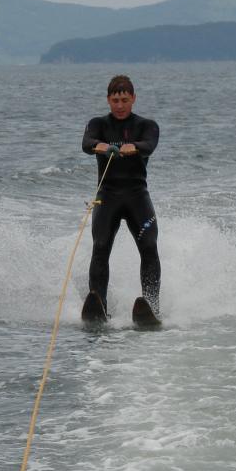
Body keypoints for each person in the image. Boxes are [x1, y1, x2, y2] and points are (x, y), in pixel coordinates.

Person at [80, 74, 161, 322]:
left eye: (125, 100)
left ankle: (152, 305)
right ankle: (99, 303)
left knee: (148, 246)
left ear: (133, 99)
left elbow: (149, 144)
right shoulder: (98, 124)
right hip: (107, 197)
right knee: (101, 247)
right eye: (115, 100)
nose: (120, 105)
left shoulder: (147, 125)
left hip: (137, 196)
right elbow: (86, 143)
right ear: (108, 100)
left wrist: (133, 147)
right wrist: (102, 146)